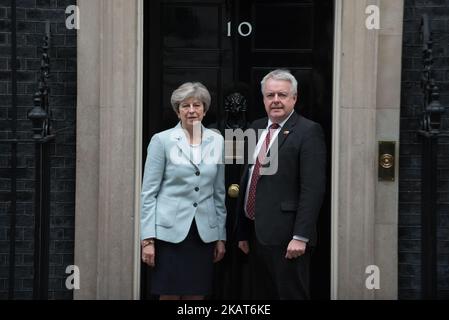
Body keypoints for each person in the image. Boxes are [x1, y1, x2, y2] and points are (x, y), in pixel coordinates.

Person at [236, 69, 326, 299]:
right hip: (256, 235)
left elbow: (312, 188)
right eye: (270, 95)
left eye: (282, 95)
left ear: (294, 98)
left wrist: (301, 236)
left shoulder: (308, 131)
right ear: (264, 99)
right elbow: (247, 178)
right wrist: (242, 231)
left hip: (288, 238)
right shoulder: (255, 128)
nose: (275, 100)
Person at [140, 82, 227, 300]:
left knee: (196, 296)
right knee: (169, 296)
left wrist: (220, 236)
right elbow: (148, 193)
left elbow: (219, 193)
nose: (191, 110)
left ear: (205, 110)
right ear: (177, 111)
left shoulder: (216, 141)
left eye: (196, 105)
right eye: (185, 105)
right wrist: (147, 240)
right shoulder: (162, 141)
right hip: (169, 234)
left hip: (203, 234)